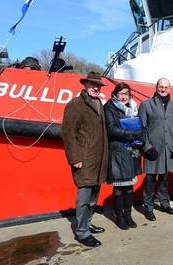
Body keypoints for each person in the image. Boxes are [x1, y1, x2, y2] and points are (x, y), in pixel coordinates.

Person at [62, 71, 108, 248]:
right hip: (85, 159)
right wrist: (75, 158)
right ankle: (81, 233)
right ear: (85, 85)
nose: (96, 88)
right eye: (93, 85)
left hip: (99, 158)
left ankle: (87, 224)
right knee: (84, 197)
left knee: (94, 196)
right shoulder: (75, 105)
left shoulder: (98, 104)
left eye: (98, 85)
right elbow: (68, 134)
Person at [139, 78, 173, 221]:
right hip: (153, 150)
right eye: (161, 86)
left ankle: (164, 203)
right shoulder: (146, 105)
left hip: (169, 150)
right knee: (150, 180)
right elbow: (142, 129)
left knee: (165, 179)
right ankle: (148, 207)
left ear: (169, 89)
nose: (163, 89)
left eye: (166, 87)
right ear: (156, 87)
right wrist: (147, 147)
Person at [104, 82, 142, 230]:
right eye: (121, 93)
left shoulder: (133, 107)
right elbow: (111, 129)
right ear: (115, 94)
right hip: (118, 151)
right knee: (119, 187)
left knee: (130, 186)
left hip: (131, 150)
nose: (124, 96)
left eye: (126, 93)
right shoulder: (109, 108)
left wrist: (140, 134)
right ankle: (119, 216)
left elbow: (139, 124)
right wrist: (131, 134)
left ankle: (128, 215)